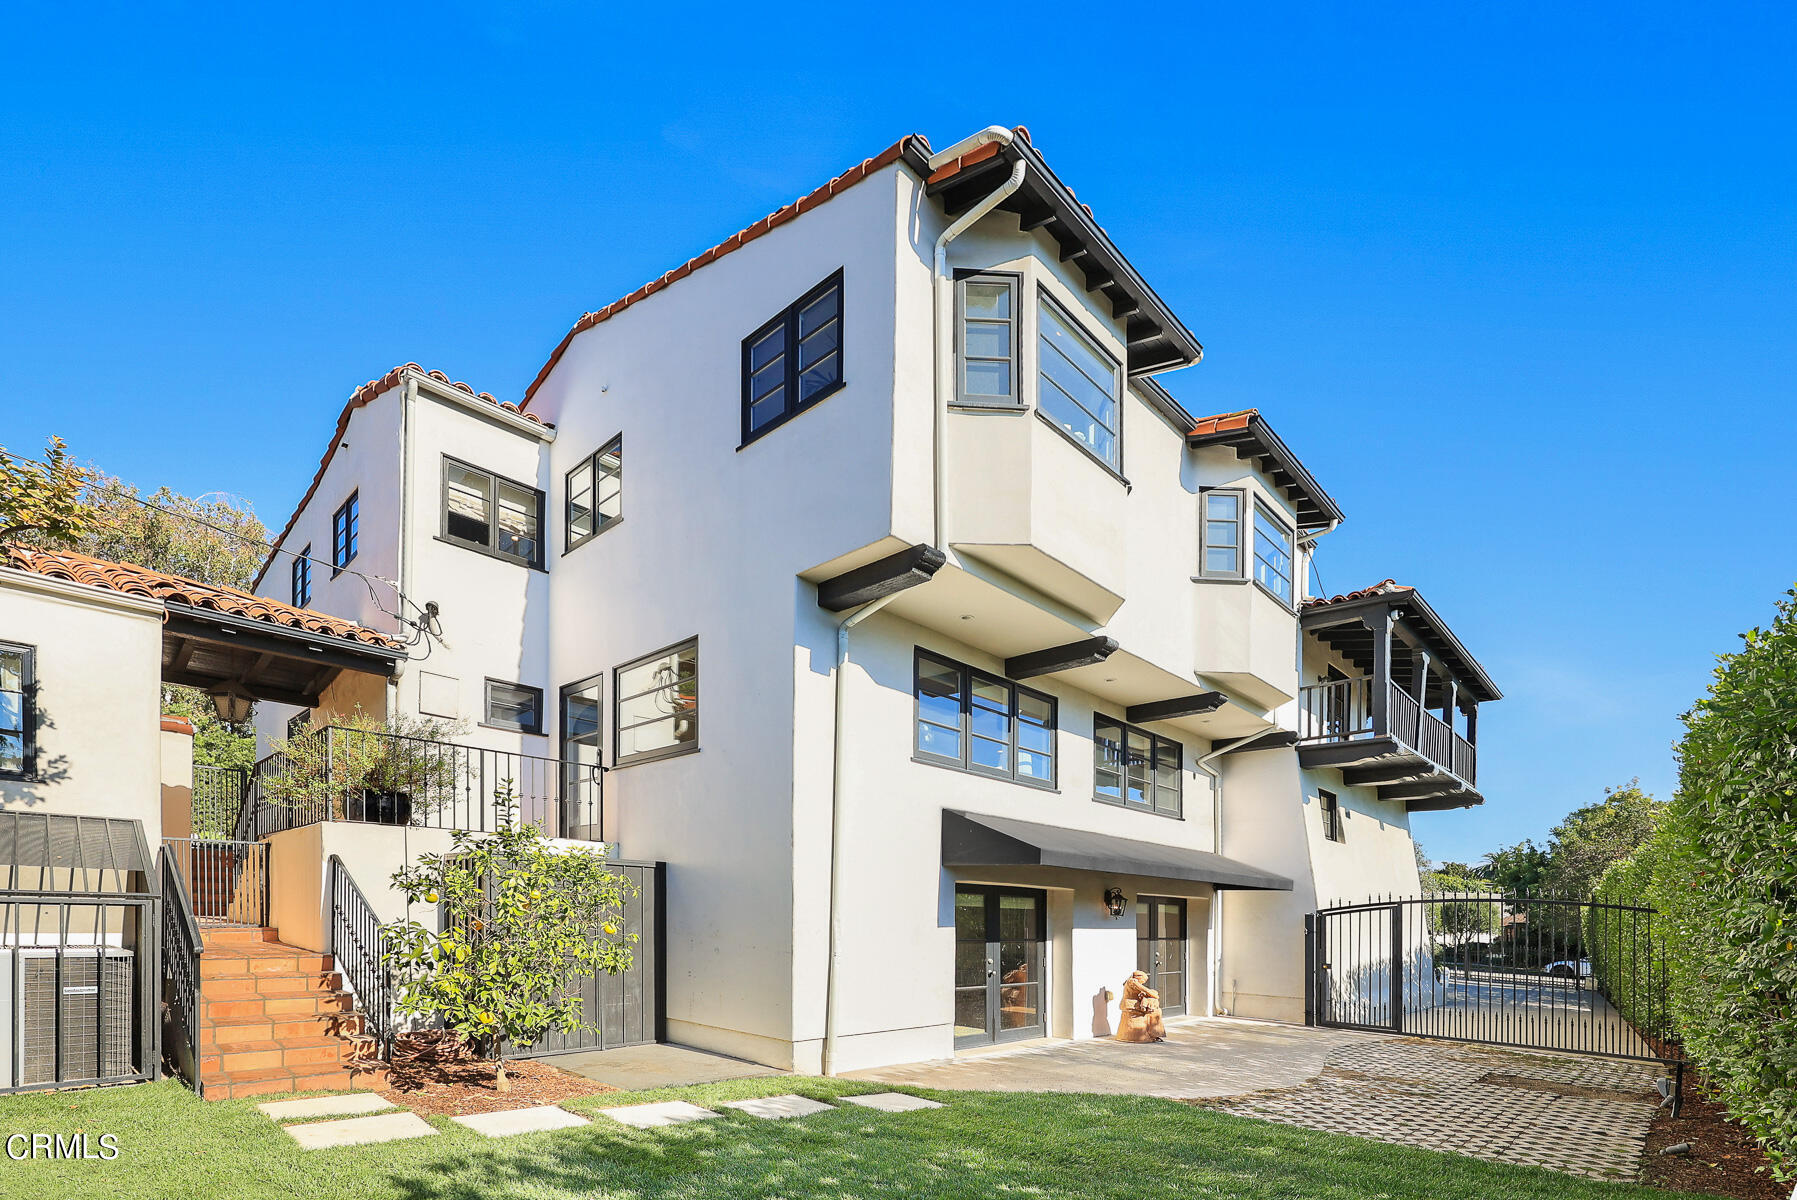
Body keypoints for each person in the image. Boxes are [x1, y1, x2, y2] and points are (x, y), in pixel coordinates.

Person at [1115, 970, 1166, 1042]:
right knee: (1154, 1012)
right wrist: (1154, 994)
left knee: (1156, 1011)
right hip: (1131, 1004)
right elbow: (1147, 991)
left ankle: (1153, 1034)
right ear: (1139, 977)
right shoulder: (1132, 981)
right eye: (1143, 980)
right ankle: (1148, 1034)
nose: (1143, 983)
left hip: (1134, 1004)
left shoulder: (1133, 982)